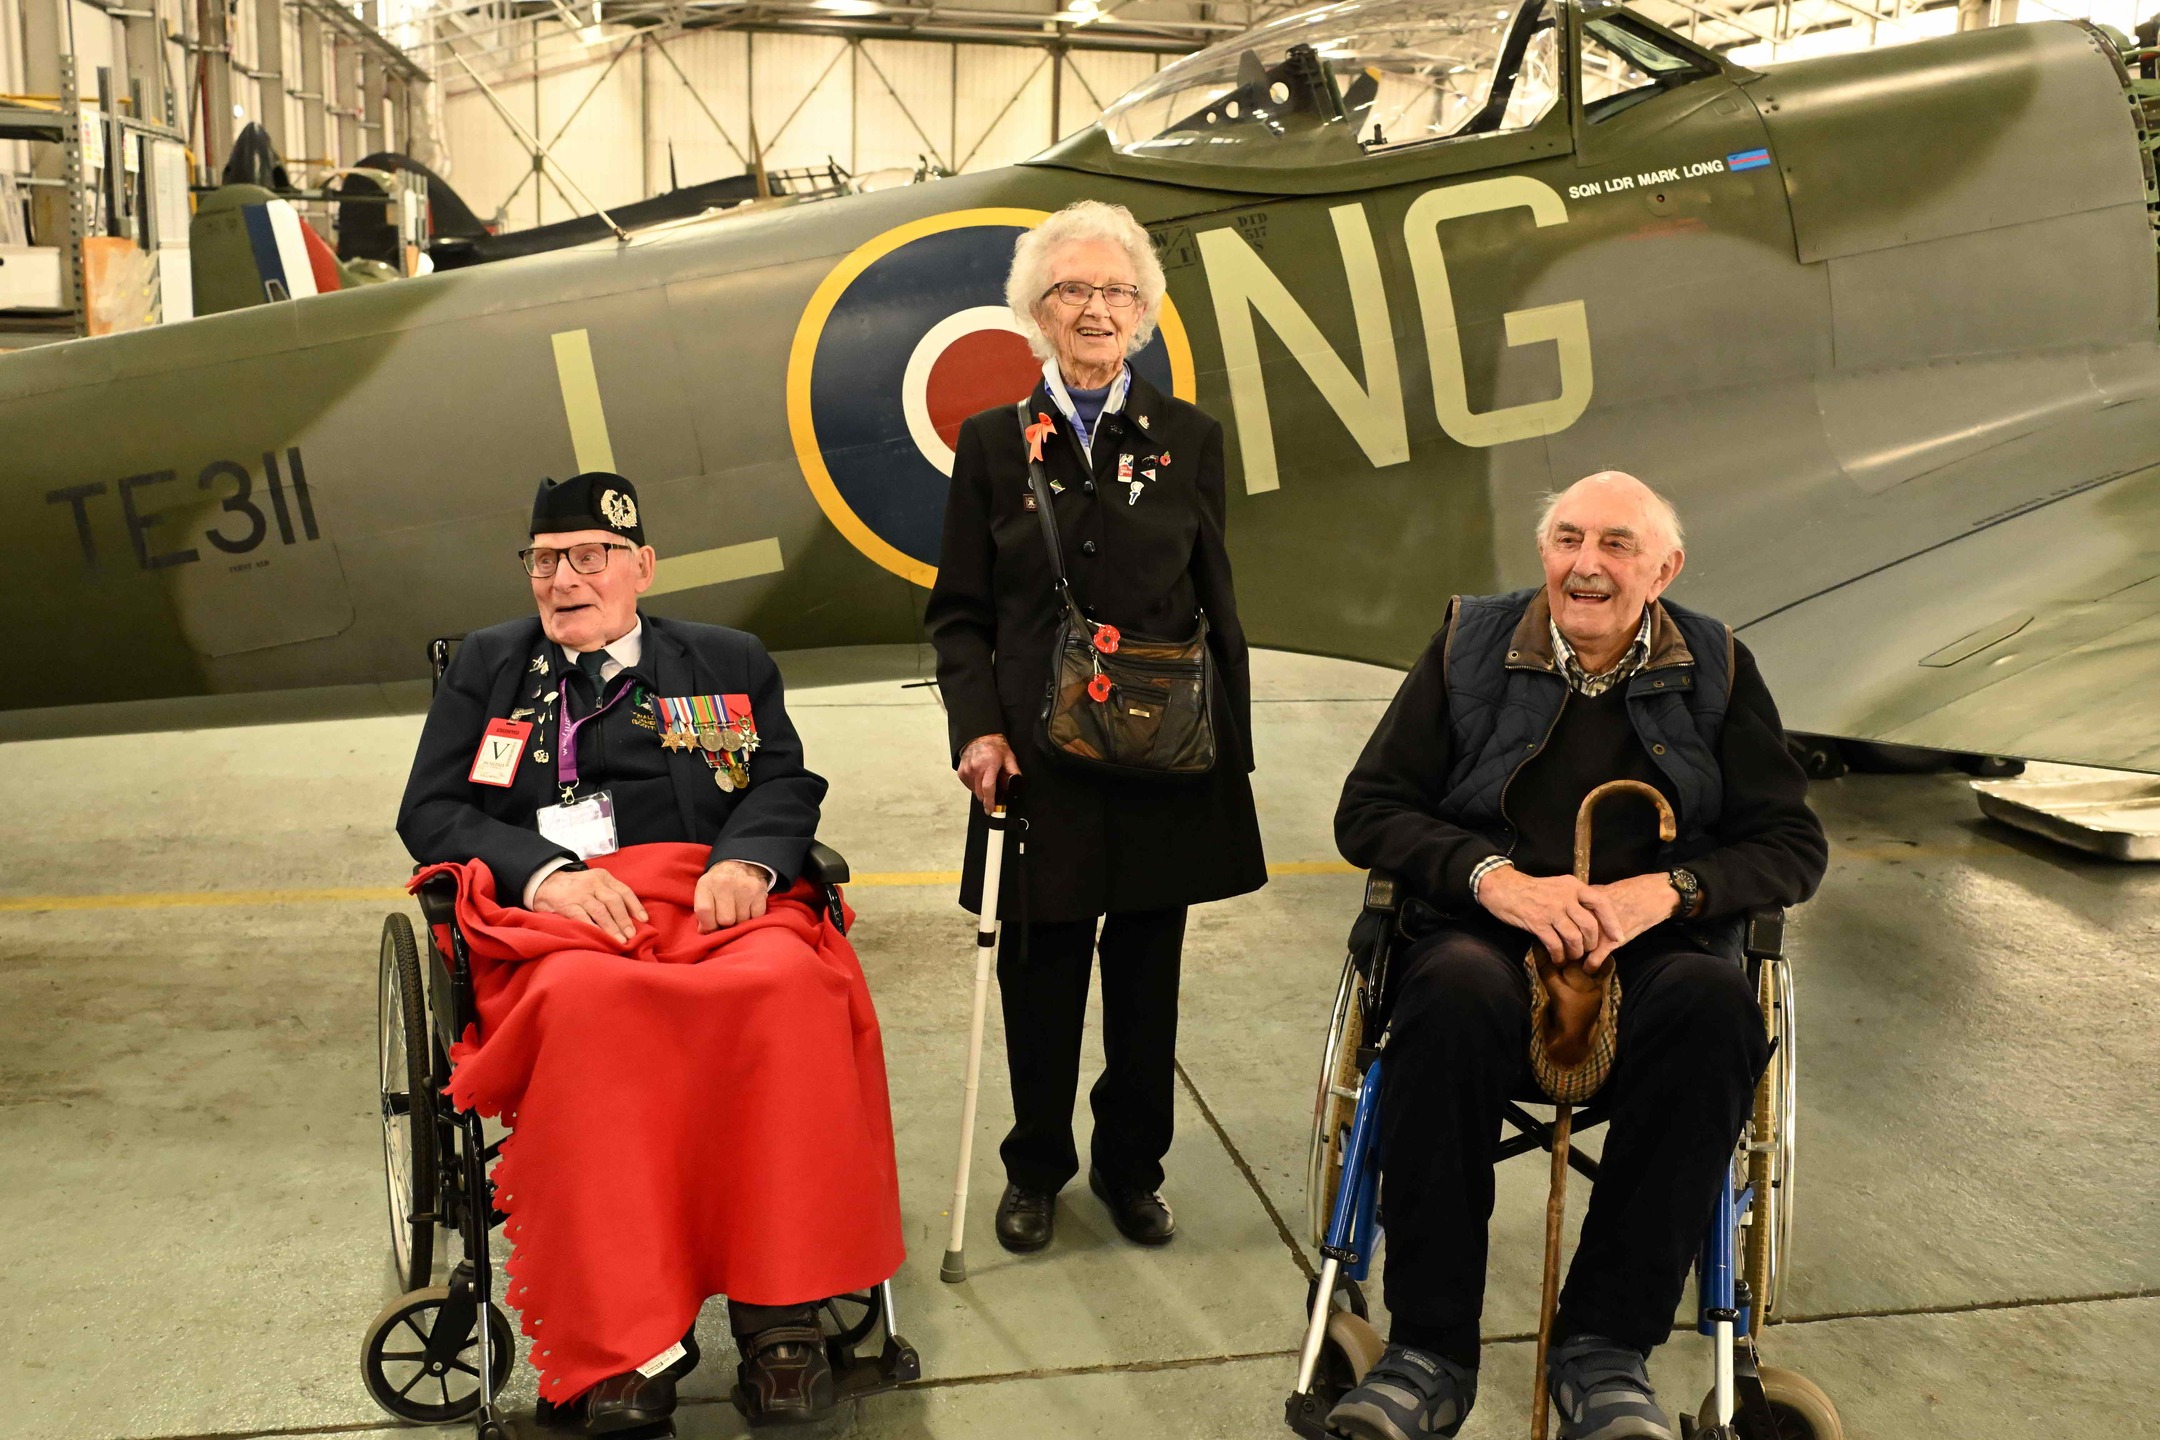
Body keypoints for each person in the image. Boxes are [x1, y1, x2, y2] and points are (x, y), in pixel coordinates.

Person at [397, 471, 903, 1435]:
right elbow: (430, 812)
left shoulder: (724, 659)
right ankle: (630, 1339)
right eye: (545, 561)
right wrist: (544, 872)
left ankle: (780, 1321)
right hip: (567, 923)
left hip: (711, 904)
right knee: (590, 1008)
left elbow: (784, 781)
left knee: (787, 984)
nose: (563, 580)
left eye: (589, 557)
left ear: (641, 566)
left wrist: (750, 860)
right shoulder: (489, 666)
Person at [1328, 471, 1828, 1440]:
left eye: (1615, 546)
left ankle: (1603, 1351)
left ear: (1664, 568)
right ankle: (1428, 1352)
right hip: (1486, 938)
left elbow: (1791, 845)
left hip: (1653, 954)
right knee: (1449, 994)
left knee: (1715, 1012)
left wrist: (1669, 893)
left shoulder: (1720, 665)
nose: (1585, 566)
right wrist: (1490, 878)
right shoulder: (1469, 644)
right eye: (1566, 540)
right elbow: (1369, 810)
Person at [925, 200, 1267, 1256]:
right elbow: (960, 612)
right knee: (1042, 976)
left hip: (1162, 756)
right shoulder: (991, 444)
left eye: (1116, 291)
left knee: (1146, 983)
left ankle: (1133, 1170)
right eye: (1072, 290)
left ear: (1145, 315)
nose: (1095, 309)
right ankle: (1035, 1167)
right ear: (1036, 310)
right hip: (1039, 760)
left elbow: (1218, 599)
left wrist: (1227, 758)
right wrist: (978, 730)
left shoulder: (1190, 440)